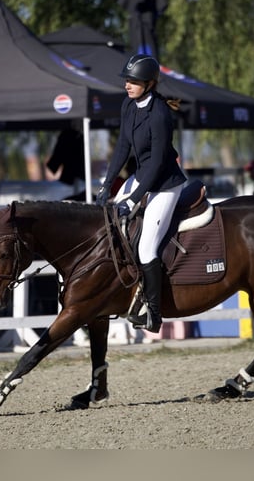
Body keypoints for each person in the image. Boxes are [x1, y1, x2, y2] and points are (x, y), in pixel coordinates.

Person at [95, 54, 186, 333]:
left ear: (149, 83)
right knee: (113, 225)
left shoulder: (160, 114)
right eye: (127, 80)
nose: (127, 85)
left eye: (133, 81)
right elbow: (122, 146)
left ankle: (154, 314)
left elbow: (158, 163)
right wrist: (107, 184)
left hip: (165, 183)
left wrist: (135, 197)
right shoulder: (129, 106)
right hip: (142, 176)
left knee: (147, 247)